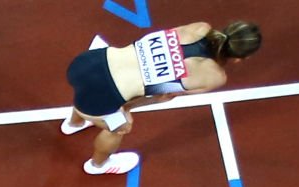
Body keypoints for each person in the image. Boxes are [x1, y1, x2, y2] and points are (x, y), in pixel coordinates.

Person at [63, 21, 262, 175]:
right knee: (120, 127)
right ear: (238, 59)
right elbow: (161, 94)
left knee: (90, 94)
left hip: (88, 61)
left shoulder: (199, 27)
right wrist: (126, 111)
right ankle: (98, 165)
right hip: (99, 95)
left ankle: (74, 124)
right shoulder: (214, 77)